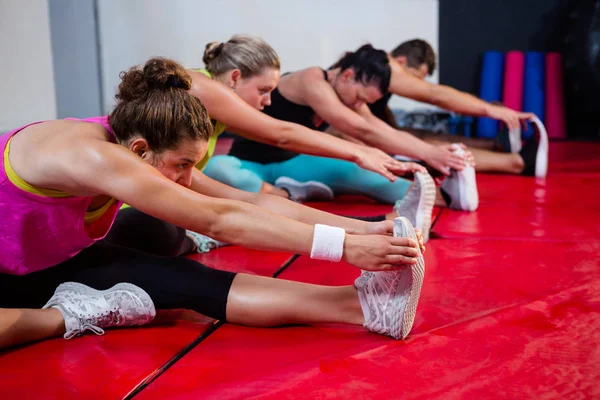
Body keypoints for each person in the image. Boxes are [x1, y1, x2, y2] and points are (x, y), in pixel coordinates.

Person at [0, 57, 426, 351]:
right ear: (140, 148)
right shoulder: (93, 156)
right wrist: (344, 248)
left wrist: (361, 229)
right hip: (9, 273)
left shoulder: (133, 142)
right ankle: (66, 318)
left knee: (173, 275)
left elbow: (241, 200)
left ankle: (368, 308)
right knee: (162, 252)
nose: (189, 177)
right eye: (183, 165)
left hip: (45, 260)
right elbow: (221, 219)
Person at [207, 43, 477, 215]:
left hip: (295, 165)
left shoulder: (347, 92)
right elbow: (362, 131)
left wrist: (434, 153)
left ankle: (448, 197)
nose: (359, 105)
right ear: (346, 75)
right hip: (250, 164)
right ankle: (288, 194)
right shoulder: (312, 80)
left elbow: (380, 128)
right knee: (219, 169)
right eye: (359, 97)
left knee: (364, 172)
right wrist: (429, 154)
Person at [367, 39, 547, 176]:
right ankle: (518, 163)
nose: (415, 85)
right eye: (414, 78)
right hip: (358, 144)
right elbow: (433, 94)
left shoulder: (373, 72)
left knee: (415, 135)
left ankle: (495, 147)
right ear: (401, 61)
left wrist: (484, 105)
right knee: (422, 146)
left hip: (361, 134)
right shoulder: (386, 66)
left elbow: (375, 115)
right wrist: (488, 109)